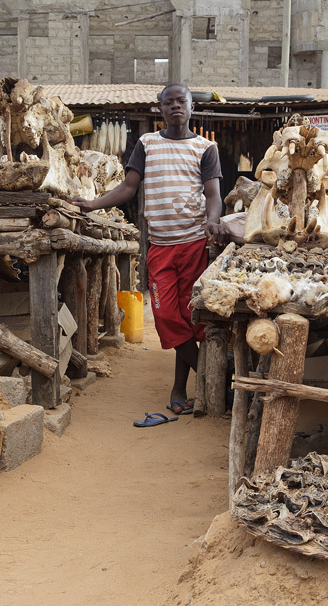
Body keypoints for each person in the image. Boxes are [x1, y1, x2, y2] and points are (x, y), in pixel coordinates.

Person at [71, 83, 227, 415]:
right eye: (168, 102)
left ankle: (179, 389)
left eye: (181, 101)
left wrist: (214, 220)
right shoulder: (146, 143)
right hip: (160, 246)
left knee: (191, 319)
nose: (175, 106)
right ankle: (216, 381)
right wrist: (91, 205)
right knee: (166, 316)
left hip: (195, 244)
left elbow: (214, 196)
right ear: (160, 109)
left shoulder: (205, 148)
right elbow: (128, 187)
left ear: (191, 107)